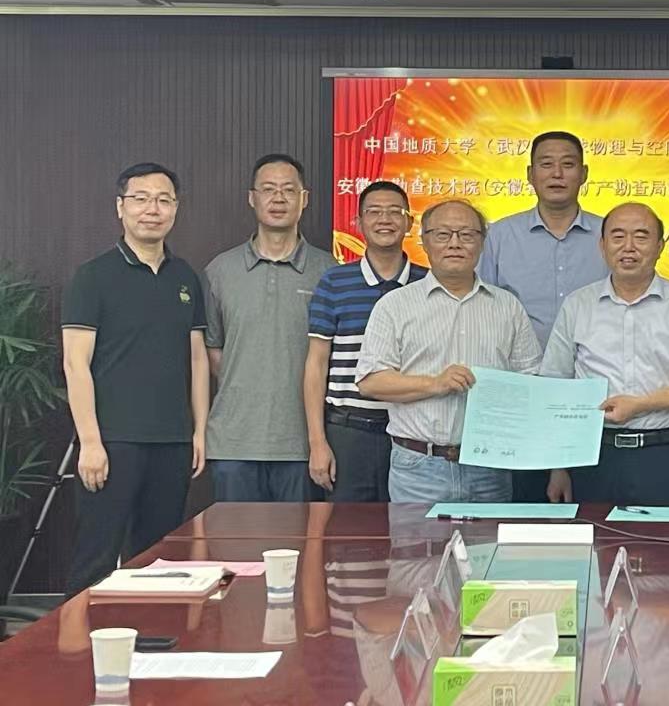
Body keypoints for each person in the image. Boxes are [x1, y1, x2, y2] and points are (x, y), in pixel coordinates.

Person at [61, 162, 210, 595]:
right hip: (112, 442)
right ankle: (79, 639)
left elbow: (197, 359)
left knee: (159, 561)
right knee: (95, 558)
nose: (152, 209)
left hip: (172, 442)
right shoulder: (93, 276)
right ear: (120, 207)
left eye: (163, 200)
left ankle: (149, 635)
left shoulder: (185, 278)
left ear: (176, 209)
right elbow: (75, 364)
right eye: (141, 199)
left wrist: (199, 431)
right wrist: (90, 441)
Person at [355, 200, 542, 503]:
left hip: (490, 466)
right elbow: (370, 382)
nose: (455, 243)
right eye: (443, 234)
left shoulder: (508, 306)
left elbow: (532, 382)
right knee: (416, 538)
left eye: (466, 235)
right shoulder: (395, 305)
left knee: (489, 537)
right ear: (424, 241)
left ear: (482, 242)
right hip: (418, 467)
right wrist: (435, 383)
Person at [541, 202, 669, 506]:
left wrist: (640, 405)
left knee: (663, 538)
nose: (629, 247)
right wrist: (558, 467)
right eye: (618, 236)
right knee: (593, 536)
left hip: (662, 454)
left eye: (641, 236)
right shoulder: (578, 305)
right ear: (602, 246)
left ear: (660, 246)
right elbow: (555, 386)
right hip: (593, 455)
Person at [479, 130, 607, 502]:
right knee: (525, 509)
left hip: (593, 397)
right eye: (546, 164)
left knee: (593, 511)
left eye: (568, 164)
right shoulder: (499, 236)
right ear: (530, 174)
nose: (557, 174)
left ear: (584, 174)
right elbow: (484, 309)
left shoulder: (610, 235)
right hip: (522, 395)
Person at [203, 153, 330, 502]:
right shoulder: (220, 271)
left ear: (304, 199)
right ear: (252, 198)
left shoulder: (328, 271)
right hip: (234, 442)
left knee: (301, 538)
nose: (278, 198)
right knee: (236, 537)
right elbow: (212, 348)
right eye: (269, 189)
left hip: (302, 446)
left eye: (288, 190)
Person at [304, 181, 427, 502]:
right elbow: (317, 364)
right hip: (349, 433)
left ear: (409, 223)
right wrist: (318, 442)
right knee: (349, 528)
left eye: (394, 212)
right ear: (358, 222)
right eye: (374, 212)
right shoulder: (335, 281)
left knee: (411, 527)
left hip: (411, 433)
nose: (384, 219)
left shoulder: (428, 282)